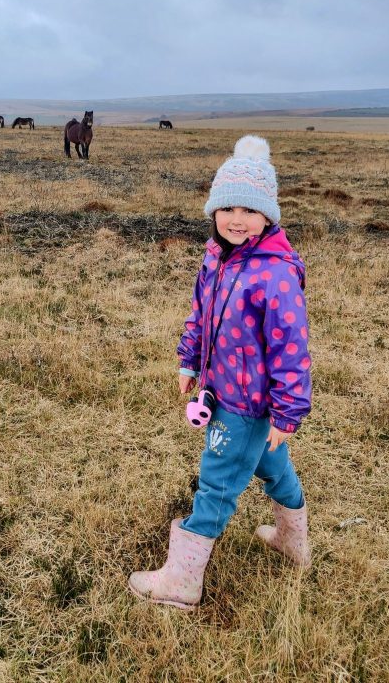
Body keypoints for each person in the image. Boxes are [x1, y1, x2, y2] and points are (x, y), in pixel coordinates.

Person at [129, 135, 312, 610]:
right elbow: (201, 313)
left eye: (250, 210)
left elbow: (292, 350)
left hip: (249, 404)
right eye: (227, 207)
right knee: (272, 465)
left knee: (216, 482)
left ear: (268, 215)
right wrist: (190, 359)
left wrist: (287, 411)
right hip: (221, 385)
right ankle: (294, 541)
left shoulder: (275, 274)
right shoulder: (216, 256)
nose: (237, 219)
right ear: (213, 210)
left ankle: (182, 582)